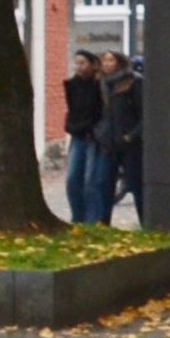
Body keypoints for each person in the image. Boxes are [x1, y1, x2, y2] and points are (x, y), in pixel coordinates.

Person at [97, 46, 149, 225]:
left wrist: (132, 136)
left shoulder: (133, 81)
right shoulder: (103, 83)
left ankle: (145, 223)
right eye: (104, 60)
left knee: (136, 185)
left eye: (110, 60)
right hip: (108, 143)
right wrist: (101, 133)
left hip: (129, 144)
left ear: (119, 62)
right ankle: (103, 225)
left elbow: (145, 113)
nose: (106, 64)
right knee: (103, 184)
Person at [61, 46, 108, 223]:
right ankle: (77, 216)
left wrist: (95, 130)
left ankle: (92, 219)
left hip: (94, 136)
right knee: (72, 178)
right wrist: (71, 127)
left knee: (91, 180)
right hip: (78, 135)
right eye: (76, 63)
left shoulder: (99, 85)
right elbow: (73, 110)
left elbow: (101, 111)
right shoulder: (72, 85)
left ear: (92, 64)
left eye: (82, 63)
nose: (78, 67)